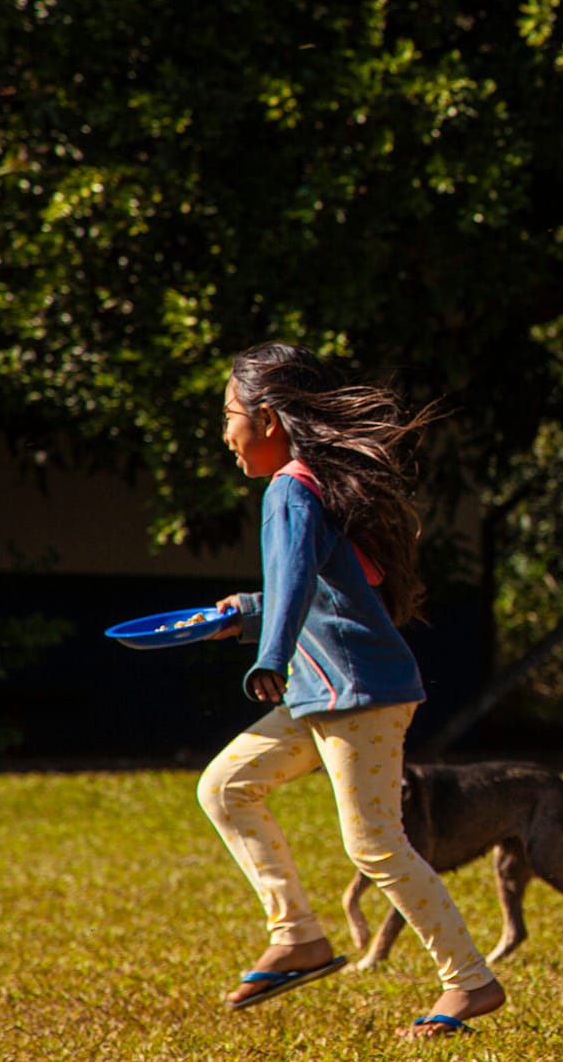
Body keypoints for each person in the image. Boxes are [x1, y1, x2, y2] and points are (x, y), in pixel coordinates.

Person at [196, 343, 504, 1039]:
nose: (224, 433)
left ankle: (470, 980)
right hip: (324, 693)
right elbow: (324, 589)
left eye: (228, 416)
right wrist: (241, 616)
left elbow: (299, 587)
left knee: (375, 846)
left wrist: (268, 649)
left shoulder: (291, 489)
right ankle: (298, 934)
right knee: (225, 787)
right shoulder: (317, 488)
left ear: (268, 418)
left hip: (357, 694)